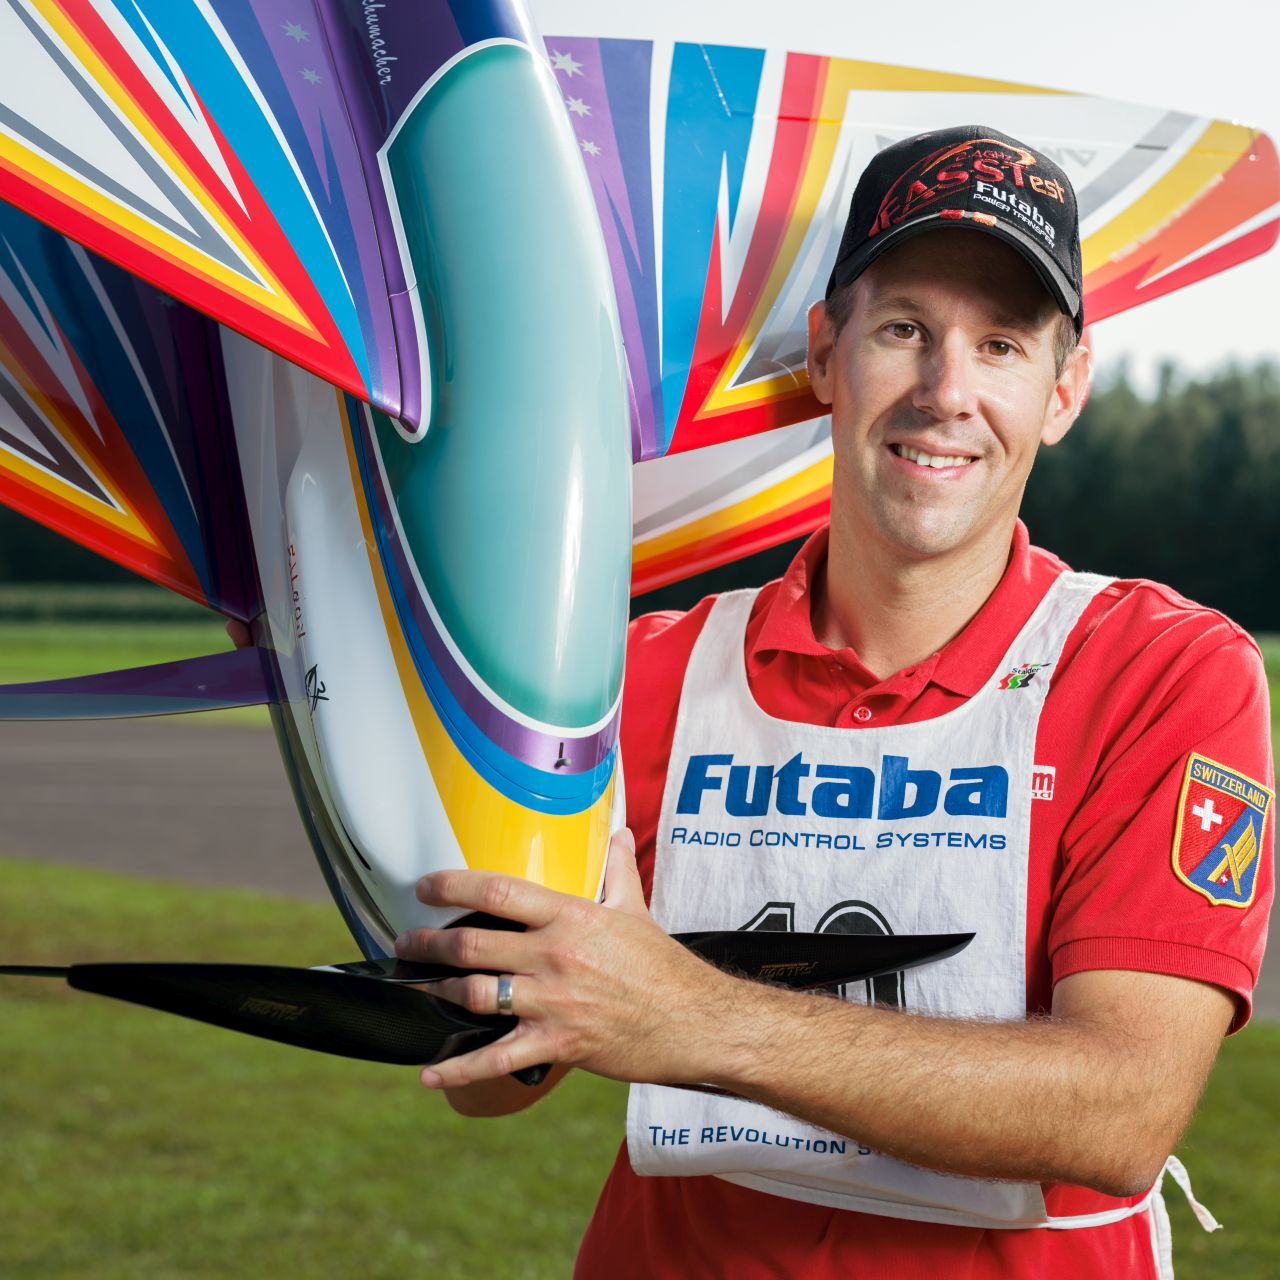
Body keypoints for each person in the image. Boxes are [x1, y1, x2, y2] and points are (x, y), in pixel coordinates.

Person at [393, 126, 1274, 1278]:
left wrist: (690, 1014)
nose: (944, 393)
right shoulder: (641, 671)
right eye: (903, 329)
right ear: (824, 351)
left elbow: (1118, 1111)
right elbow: (496, 1080)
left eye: (999, 345)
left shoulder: (1161, 670)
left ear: (1062, 390)